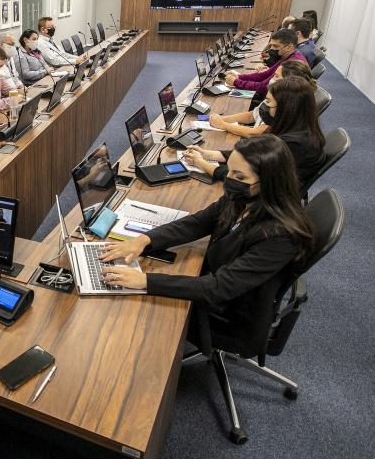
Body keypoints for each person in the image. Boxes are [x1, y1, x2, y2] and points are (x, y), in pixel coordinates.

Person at [99, 134, 315, 354]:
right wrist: (144, 240)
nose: (228, 178)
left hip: (231, 318)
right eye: (229, 170)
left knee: (131, 311)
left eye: (238, 175)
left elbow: (220, 287)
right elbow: (199, 223)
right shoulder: (245, 198)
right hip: (215, 285)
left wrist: (145, 281)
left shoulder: (279, 236)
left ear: (268, 182)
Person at [187, 76, 326, 188]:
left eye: (268, 102)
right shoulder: (292, 126)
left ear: (285, 109)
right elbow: (253, 155)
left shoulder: (292, 144)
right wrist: (207, 154)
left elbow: (244, 181)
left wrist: (201, 164)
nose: (264, 107)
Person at [223, 28, 307, 100]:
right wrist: (239, 77)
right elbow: (263, 75)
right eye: (271, 46)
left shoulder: (291, 65)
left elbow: (264, 87)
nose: (271, 49)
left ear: (289, 47)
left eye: (275, 46)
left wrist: (236, 82)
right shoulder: (286, 57)